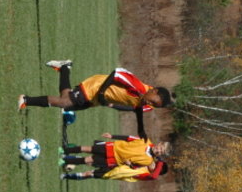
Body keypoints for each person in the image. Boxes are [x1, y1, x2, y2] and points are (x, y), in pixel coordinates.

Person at [18, 61, 173, 119]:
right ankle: (25, 100)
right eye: (153, 101)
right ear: (154, 91)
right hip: (96, 87)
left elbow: (131, 109)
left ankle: (64, 67)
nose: (150, 104)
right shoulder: (137, 86)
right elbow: (117, 73)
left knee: (67, 100)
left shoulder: (148, 106)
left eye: (154, 105)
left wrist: (111, 105)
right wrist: (102, 92)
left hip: (99, 100)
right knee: (64, 102)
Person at [60, 133, 170, 182]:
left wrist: (130, 164)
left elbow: (135, 167)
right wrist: (112, 136)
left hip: (113, 161)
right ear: (159, 144)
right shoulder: (146, 140)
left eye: (161, 152)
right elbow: (128, 138)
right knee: (87, 149)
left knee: (88, 160)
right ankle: (64, 151)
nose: (159, 151)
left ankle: (64, 161)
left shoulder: (148, 161)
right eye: (161, 148)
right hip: (112, 147)